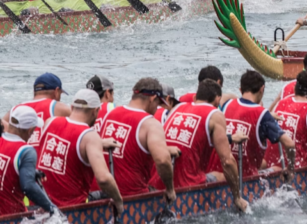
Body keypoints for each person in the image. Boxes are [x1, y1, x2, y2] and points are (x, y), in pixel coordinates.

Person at [155, 78, 246, 209]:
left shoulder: (177, 107)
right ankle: (236, 200)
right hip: (188, 186)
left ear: (195, 97)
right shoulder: (215, 115)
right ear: (217, 100)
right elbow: (227, 161)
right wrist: (237, 197)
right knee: (221, 175)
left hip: (159, 181)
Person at [37, 88, 123, 214]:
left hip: (42, 206)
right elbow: (103, 179)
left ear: (72, 107)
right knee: (107, 194)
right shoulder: (89, 137)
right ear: (95, 111)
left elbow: (67, 139)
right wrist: (119, 201)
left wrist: (100, 143)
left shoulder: (50, 122)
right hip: (72, 212)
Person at [98, 76, 176, 202]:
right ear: (152, 99)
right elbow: (162, 160)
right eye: (158, 103)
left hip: (105, 194)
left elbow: (128, 145)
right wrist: (170, 189)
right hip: (134, 198)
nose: (158, 108)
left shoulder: (110, 114)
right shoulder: (150, 124)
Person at [222, 70, 295, 179]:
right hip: (245, 179)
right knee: (277, 169)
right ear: (262, 89)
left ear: (240, 90)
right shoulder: (263, 115)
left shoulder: (226, 104)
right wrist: (290, 169)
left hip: (223, 173)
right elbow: (289, 144)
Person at [0, 104, 55, 217]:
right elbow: (28, 186)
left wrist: (28, 171)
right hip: (11, 220)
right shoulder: (26, 151)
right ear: (30, 130)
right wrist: (51, 208)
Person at [17, 72, 71, 149]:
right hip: (45, 158)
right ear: (56, 91)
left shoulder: (16, 109)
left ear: (34, 92)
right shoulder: (61, 108)